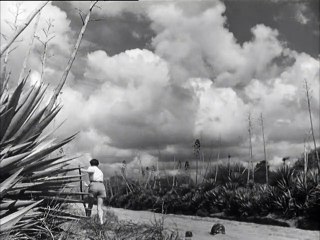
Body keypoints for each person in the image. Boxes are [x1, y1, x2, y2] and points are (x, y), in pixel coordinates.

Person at [81, 159, 106, 225]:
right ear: (98, 164)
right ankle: (101, 222)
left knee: (90, 205)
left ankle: (88, 220)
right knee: (99, 207)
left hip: (94, 185)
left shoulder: (91, 167)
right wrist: (88, 185)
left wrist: (81, 170)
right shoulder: (100, 171)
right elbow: (97, 180)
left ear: (91, 164)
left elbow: (91, 171)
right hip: (101, 186)